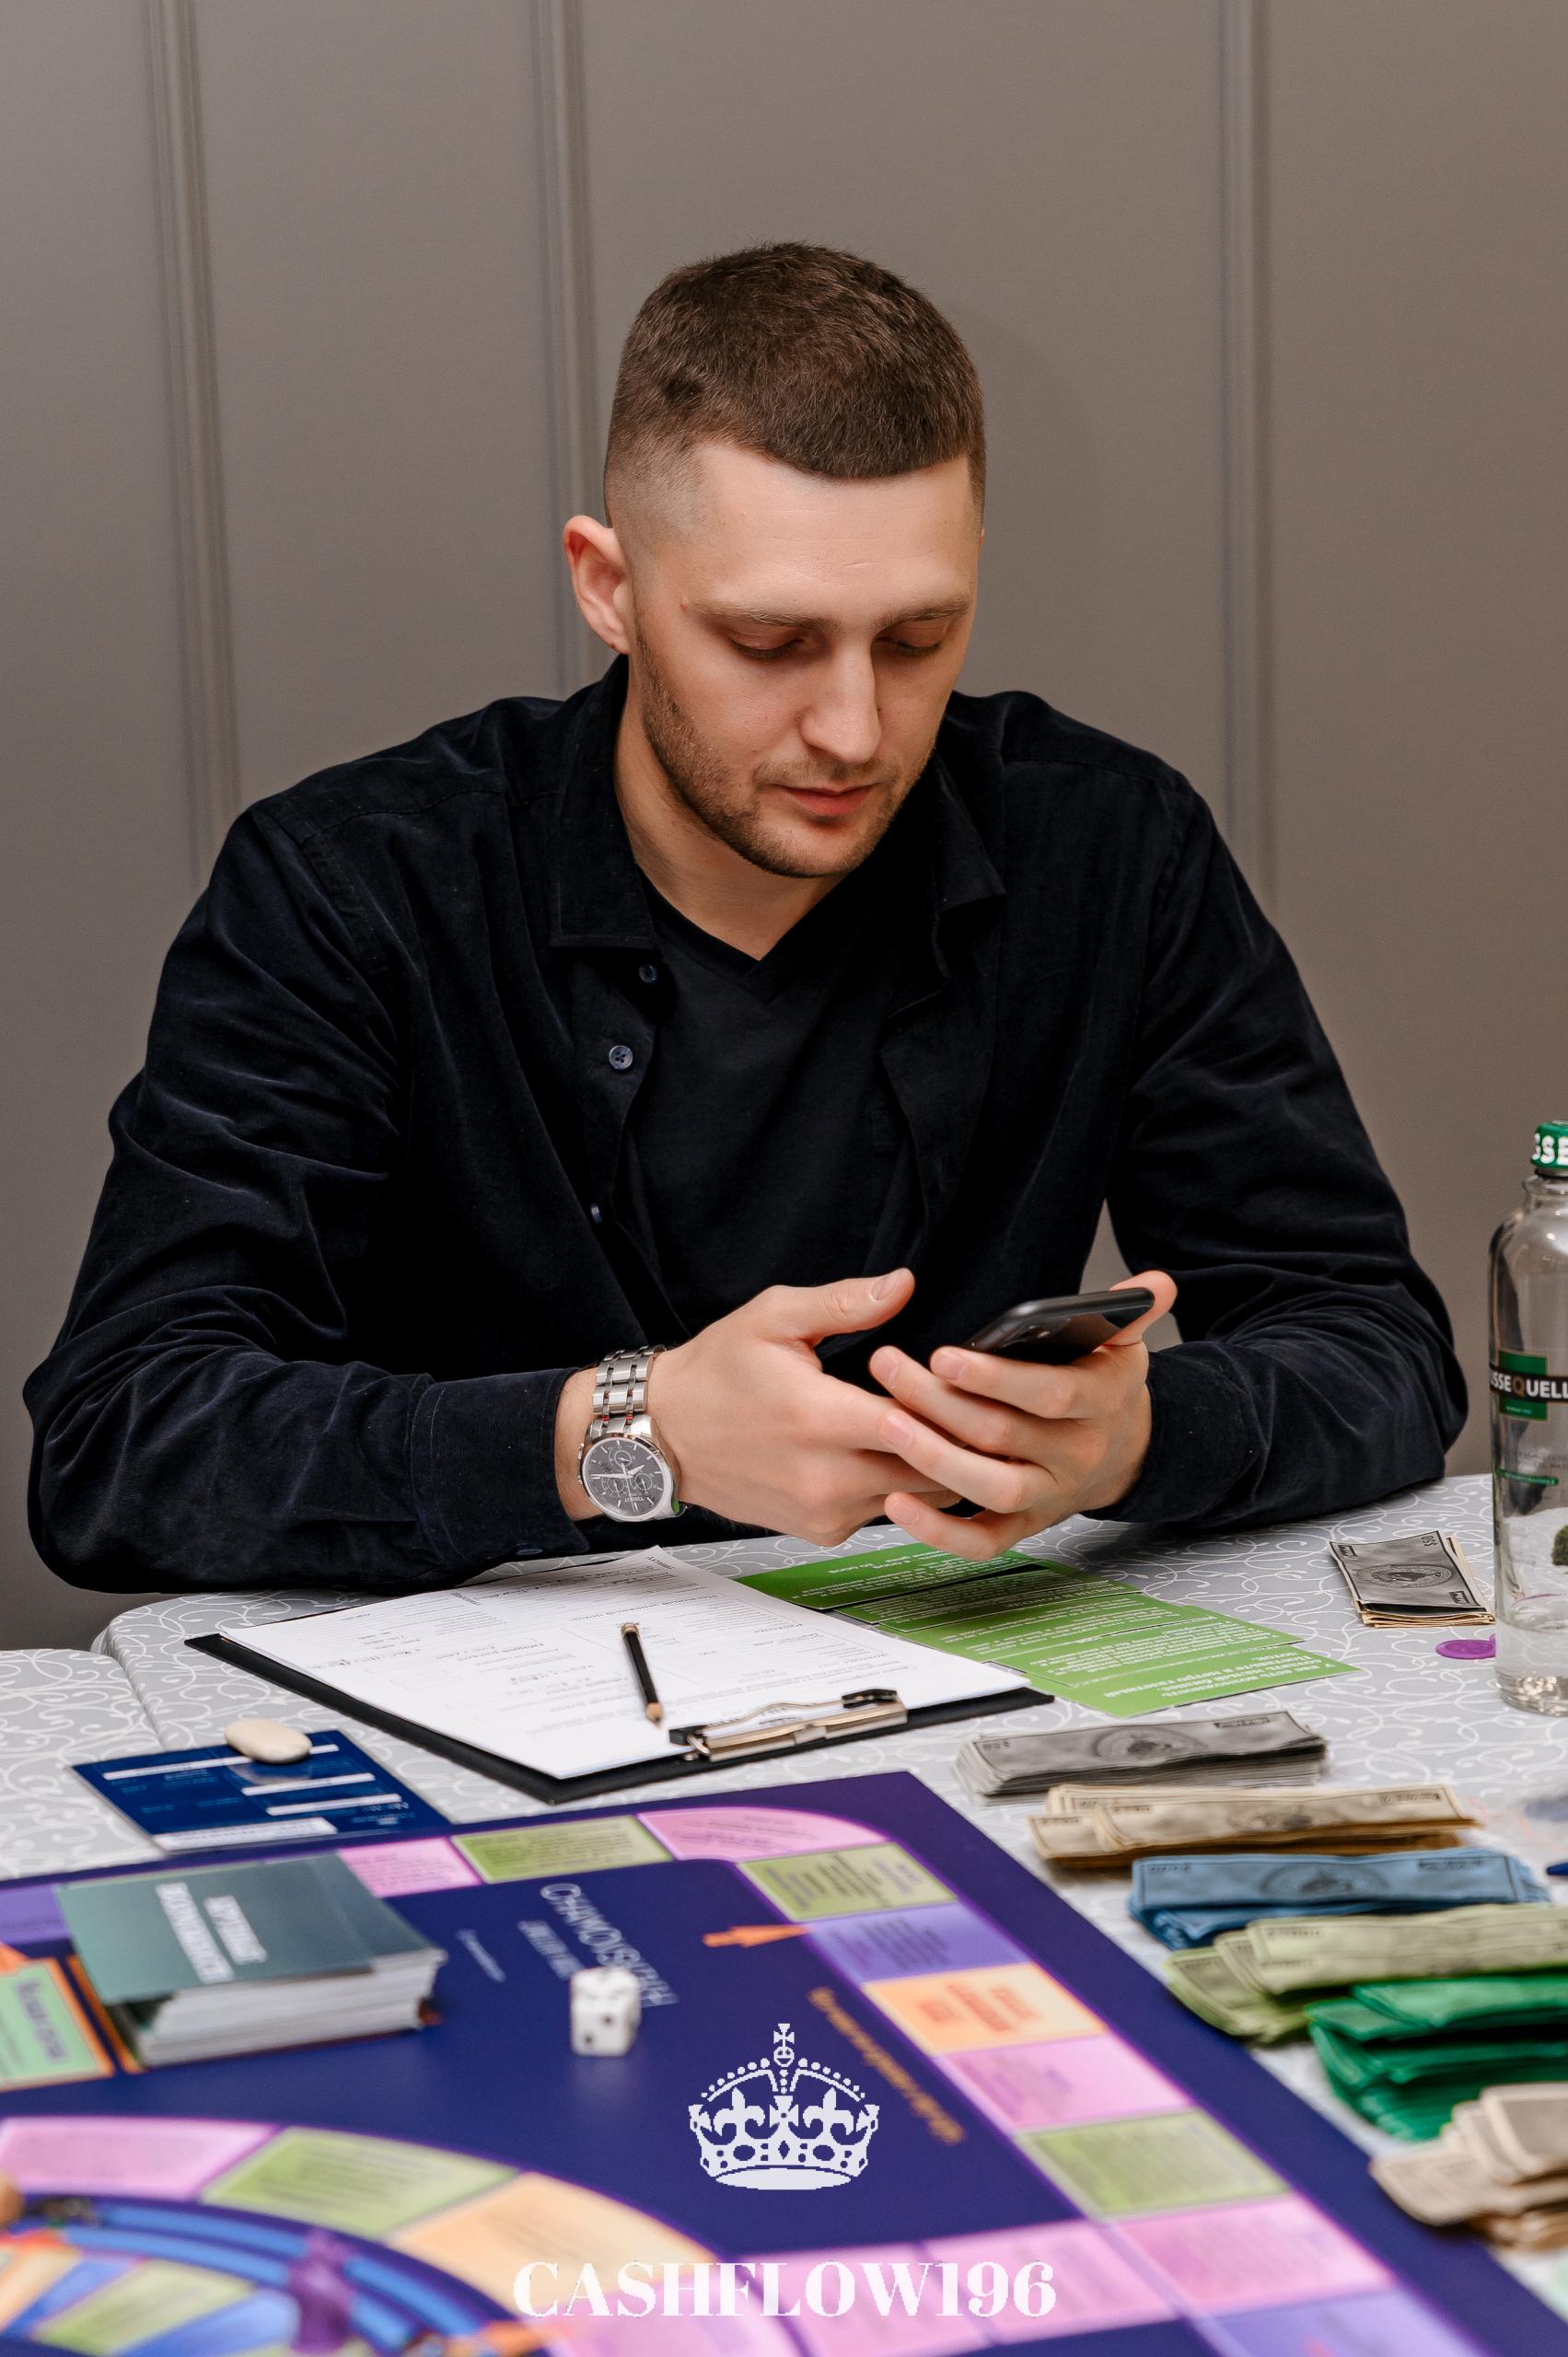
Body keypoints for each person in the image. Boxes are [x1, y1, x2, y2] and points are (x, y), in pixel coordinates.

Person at [26, 244, 1464, 1596]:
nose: (854, 730)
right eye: (770, 643)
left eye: (918, 639)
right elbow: (122, 1441)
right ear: (610, 589)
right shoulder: (353, 883)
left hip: (961, 1684)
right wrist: (626, 1434)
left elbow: (1378, 1345)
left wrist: (1137, 1440)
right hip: (499, 1715)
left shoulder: (1109, 847)